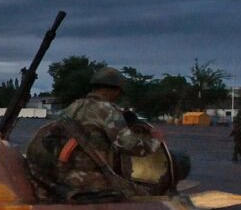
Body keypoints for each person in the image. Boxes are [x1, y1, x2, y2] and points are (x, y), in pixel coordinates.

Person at [45, 66, 163, 195]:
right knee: (145, 196)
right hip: (92, 179)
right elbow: (129, 145)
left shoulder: (72, 107)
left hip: (64, 175)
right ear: (115, 90)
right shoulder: (108, 111)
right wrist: (155, 140)